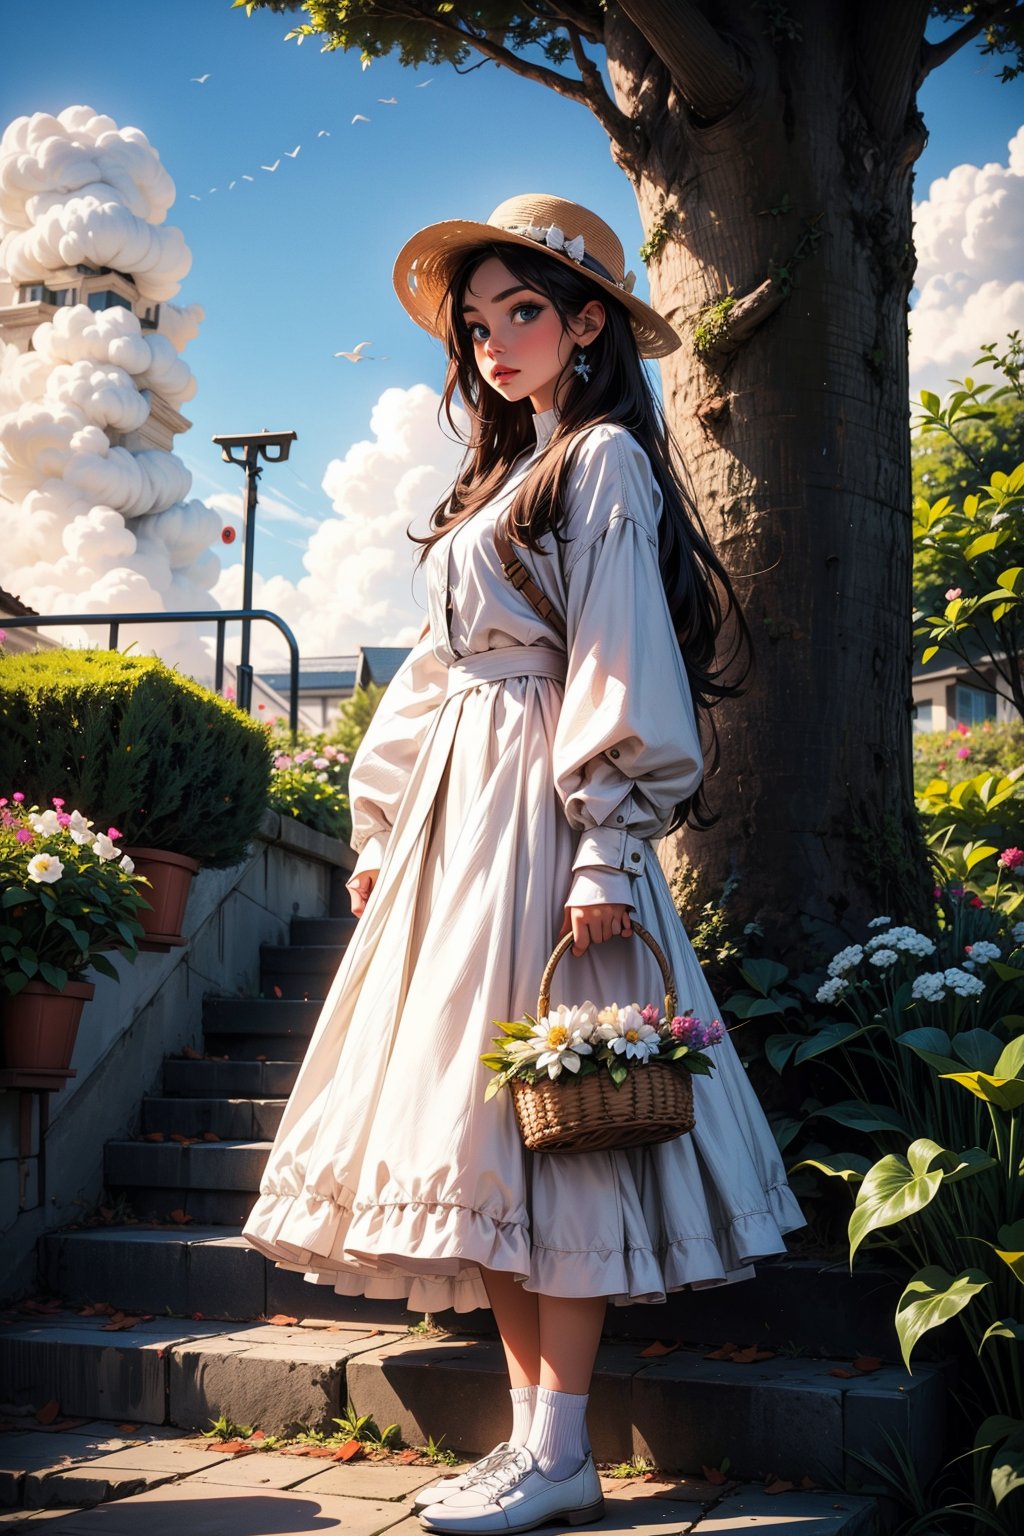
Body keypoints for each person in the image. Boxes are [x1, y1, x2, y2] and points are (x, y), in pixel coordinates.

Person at [241, 193, 807, 1535]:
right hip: (458, 830)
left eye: (525, 313)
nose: (496, 342)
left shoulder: (600, 461)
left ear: (589, 321)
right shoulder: (491, 487)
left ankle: (561, 1449)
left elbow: (619, 649)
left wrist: (607, 846)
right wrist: (382, 828)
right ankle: (528, 1443)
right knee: (483, 1132)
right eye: (479, 322)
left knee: (561, 1136)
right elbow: (433, 679)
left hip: (550, 825)